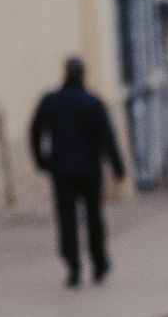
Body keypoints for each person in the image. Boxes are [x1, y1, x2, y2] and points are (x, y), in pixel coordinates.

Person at [28, 54, 125, 287]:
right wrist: (117, 167)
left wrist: (42, 161)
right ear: (84, 74)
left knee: (67, 220)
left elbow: (34, 131)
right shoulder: (93, 103)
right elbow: (107, 138)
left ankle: (73, 267)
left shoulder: (51, 101)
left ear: (65, 72)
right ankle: (99, 264)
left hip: (62, 171)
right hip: (90, 171)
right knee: (94, 218)